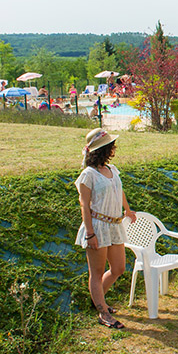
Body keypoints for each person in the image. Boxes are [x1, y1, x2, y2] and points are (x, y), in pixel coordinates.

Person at [74, 128, 136, 329]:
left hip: (115, 225)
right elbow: (84, 204)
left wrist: (127, 209)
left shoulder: (112, 170)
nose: (114, 149)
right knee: (97, 271)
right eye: (111, 146)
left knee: (118, 268)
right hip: (98, 226)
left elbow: (119, 191)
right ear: (103, 149)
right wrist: (90, 233)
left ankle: (98, 300)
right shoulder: (88, 175)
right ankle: (103, 312)